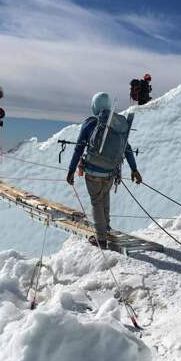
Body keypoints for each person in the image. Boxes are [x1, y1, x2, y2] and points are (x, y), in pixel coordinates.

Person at [66, 92, 142, 249]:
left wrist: (71, 170)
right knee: (104, 197)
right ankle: (105, 229)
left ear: (94, 106)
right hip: (110, 172)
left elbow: (79, 147)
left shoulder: (90, 123)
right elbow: (126, 149)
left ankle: (101, 239)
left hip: (93, 171)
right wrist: (134, 169)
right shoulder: (116, 125)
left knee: (96, 202)